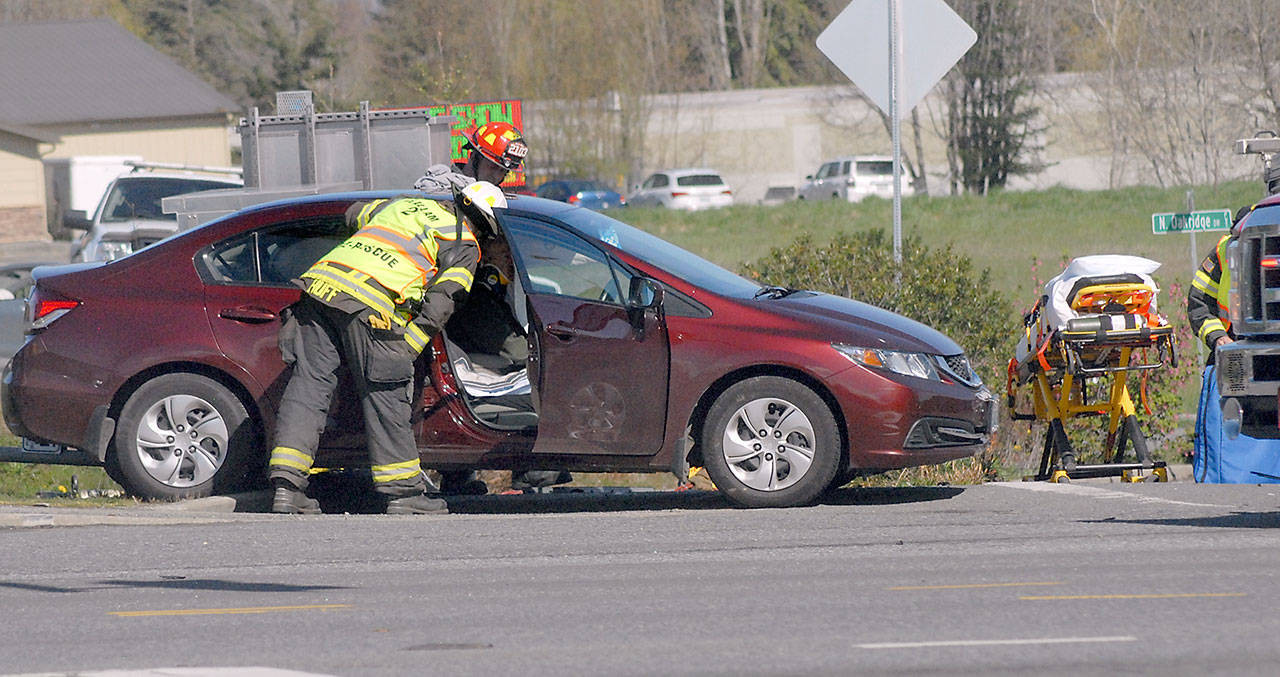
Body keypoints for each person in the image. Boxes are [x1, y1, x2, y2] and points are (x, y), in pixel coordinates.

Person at [267, 181, 508, 515]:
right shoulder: (465, 244)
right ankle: (404, 493)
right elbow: (444, 301)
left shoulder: (404, 205)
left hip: (320, 290)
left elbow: (353, 214)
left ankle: (287, 489)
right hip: (373, 305)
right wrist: (407, 348)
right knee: (387, 398)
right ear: (485, 225)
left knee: (308, 388)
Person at [413, 120, 572, 496]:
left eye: (506, 169)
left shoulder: (485, 195)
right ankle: (533, 471)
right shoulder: (448, 200)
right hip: (459, 304)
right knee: (526, 360)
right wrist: (491, 276)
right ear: (475, 157)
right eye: (496, 167)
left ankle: (459, 474)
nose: (501, 176)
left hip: (480, 298)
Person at [1188, 205, 1252, 482]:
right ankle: (1222, 478)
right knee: (1227, 423)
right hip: (1234, 351)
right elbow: (1198, 304)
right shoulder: (1225, 251)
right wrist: (1218, 338)